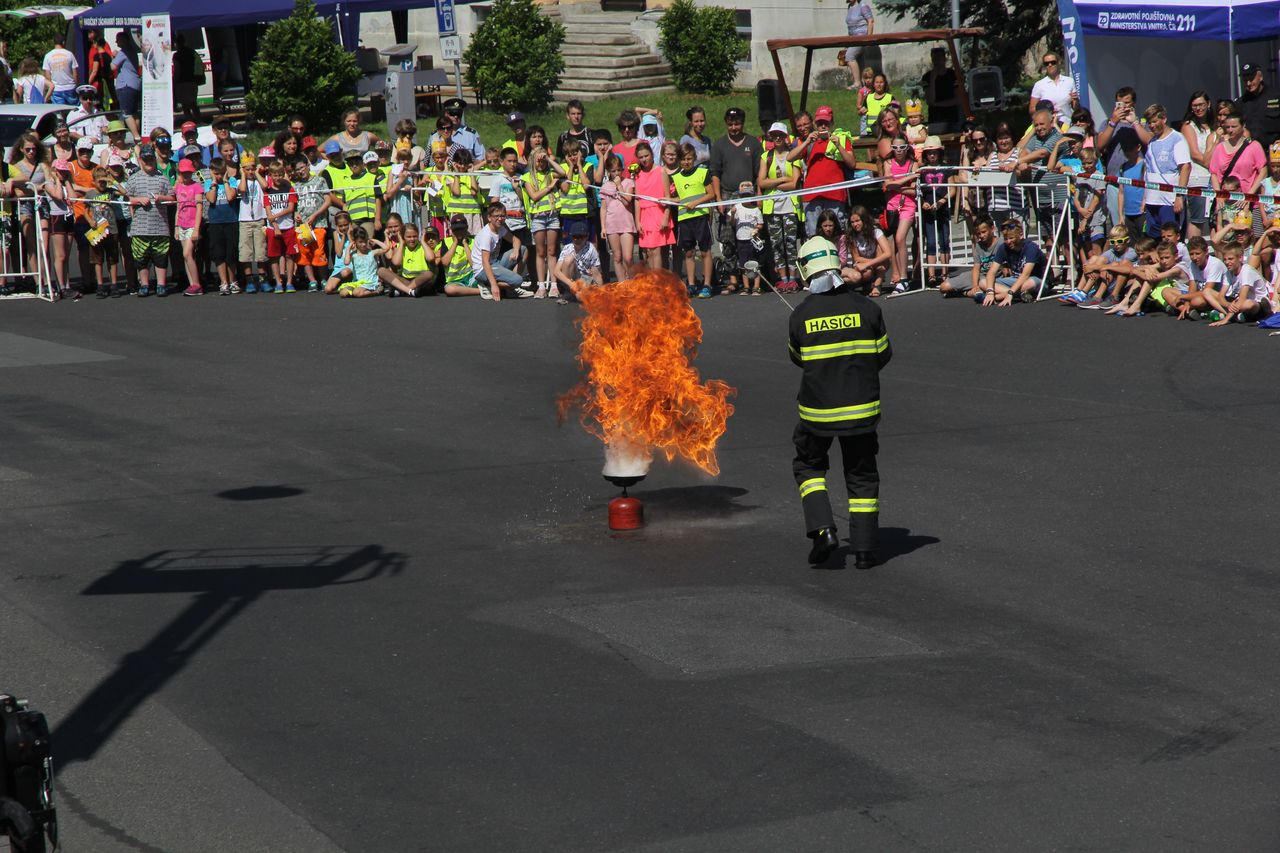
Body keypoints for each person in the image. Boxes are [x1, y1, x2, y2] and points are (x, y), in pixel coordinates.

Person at [788, 233, 891, 569]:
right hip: (862, 412)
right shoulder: (869, 308)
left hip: (817, 413)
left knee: (809, 466)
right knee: (861, 474)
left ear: (806, 271)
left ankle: (823, 531)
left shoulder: (800, 316)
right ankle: (864, 550)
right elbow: (882, 355)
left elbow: (798, 358)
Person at [788, 105, 857, 235]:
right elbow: (789, 157)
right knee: (814, 234)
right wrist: (807, 142)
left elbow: (852, 163)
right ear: (815, 124)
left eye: (826, 123)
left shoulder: (841, 138)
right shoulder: (811, 141)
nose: (823, 126)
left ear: (832, 122)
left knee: (837, 234)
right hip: (812, 195)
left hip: (835, 194)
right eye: (820, 123)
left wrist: (838, 145)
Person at [125, 143, 175, 297]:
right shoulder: (133, 178)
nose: (148, 162)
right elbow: (127, 199)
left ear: (155, 159)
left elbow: (173, 199)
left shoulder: (163, 178)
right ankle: (144, 284)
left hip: (160, 227)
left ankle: (161, 284)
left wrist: (162, 198)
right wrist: (138, 199)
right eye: (145, 159)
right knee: (141, 258)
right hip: (140, 227)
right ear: (140, 160)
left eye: (151, 159)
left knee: (161, 257)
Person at [758, 121, 803, 293]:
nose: (777, 138)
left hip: (790, 206)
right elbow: (761, 181)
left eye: (780, 135)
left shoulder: (794, 155)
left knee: (790, 243)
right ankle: (782, 278)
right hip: (773, 207)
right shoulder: (766, 156)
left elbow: (794, 184)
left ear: (785, 137)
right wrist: (781, 180)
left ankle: (793, 278)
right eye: (774, 135)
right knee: (777, 244)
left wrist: (776, 184)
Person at [1135, 103, 1190, 236]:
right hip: (1151, 199)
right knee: (1153, 240)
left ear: (1164, 119)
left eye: (1154, 121)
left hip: (1169, 200)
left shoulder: (1177, 139)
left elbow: (1185, 167)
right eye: (1149, 123)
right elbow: (1147, 170)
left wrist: (1179, 196)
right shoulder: (1152, 140)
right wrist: (1144, 198)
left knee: (1170, 240)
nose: (1152, 125)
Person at [1209, 111, 1266, 235]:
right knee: (1225, 238)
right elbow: (1214, 173)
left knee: (1255, 236)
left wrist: (1250, 194)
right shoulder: (1220, 147)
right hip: (1226, 202)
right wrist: (1219, 195)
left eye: (1234, 126)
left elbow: (1263, 171)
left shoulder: (1254, 146)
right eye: (1227, 127)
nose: (1230, 130)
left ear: (1242, 126)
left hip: (1249, 201)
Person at [672, 142, 714, 296]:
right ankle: (691, 284)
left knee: (705, 251)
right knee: (689, 253)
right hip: (684, 219)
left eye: (689, 159)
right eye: (683, 159)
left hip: (700, 217)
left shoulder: (702, 173)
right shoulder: (676, 177)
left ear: (694, 158)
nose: (686, 162)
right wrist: (670, 199)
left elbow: (711, 194)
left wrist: (696, 203)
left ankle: (707, 284)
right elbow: (681, 198)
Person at [472, 202, 536, 300]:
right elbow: (485, 262)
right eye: (496, 216)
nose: (500, 219)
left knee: (523, 249)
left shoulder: (500, 229)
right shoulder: (486, 235)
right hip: (482, 269)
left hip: (495, 263)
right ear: (489, 218)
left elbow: (516, 240)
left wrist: (516, 251)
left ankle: (511, 288)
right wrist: (494, 285)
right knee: (518, 281)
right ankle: (489, 285)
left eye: (502, 216)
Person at [978, 217, 1047, 306]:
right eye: (1006, 238)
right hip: (1016, 280)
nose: (1008, 241)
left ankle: (1004, 295)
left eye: (1011, 238)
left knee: (1030, 283)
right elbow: (991, 272)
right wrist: (990, 291)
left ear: (1021, 235)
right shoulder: (1003, 247)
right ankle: (1019, 294)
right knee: (983, 282)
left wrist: (1010, 293)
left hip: (1038, 280)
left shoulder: (1031, 247)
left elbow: (1025, 275)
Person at [1205, 241, 1273, 325]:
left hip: (1257, 303)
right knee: (1207, 291)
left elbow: (1242, 299)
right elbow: (1221, 297)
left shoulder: (1246, 271)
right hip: (1238, 301)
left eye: (1230, 259)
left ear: (1240, 258)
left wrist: (1225, 320)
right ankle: (1234, 315)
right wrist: (1228, 305)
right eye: (1225, 259)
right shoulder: (1228, 272)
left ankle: (1228, 316)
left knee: (1248, 304)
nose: (1227, 262)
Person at [881, 135, 917, 293]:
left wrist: (896, 186)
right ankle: (899, 276)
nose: (899, 151)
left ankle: (904, 277)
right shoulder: (888, 162)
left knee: (901, 237)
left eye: (902, 148)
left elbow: (915, 190)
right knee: (895, 241)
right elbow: (887, 184)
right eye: (895, 148)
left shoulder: (913, 164)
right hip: (892, 205)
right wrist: (907, 179)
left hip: (908, 204)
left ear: (907, 147)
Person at [633, 141, 674, 271]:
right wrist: (637, 221)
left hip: (658, 213)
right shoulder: (637, 174)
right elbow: (637, 200)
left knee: (656, 251)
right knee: (648, 252)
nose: (644, 159)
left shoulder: (661, 172)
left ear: (652, 154)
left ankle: (658, 280)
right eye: (641, 157)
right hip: (644, 216)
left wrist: (666, 217)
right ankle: (652, 280)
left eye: (646, 156)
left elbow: (668, 198)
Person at [1181, 91, 1217, 238]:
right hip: (1198, 179)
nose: (1198, 108)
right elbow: (1194, 154)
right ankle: (1194, 252)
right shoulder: (1188, 126)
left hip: (1215, 179)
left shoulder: (1215, 125)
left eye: (1201, 104)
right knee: (1198, 219)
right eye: (1195, 105)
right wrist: (1211, 163)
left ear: (1208, 104)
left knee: (1215, 220)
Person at [917, 136, 951, 287]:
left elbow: (953, 189)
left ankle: (945, 272)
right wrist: (923, 202)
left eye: (934, 152)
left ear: (939, 153)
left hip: (943, 209)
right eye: (929, 153)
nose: (932, 155)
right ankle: (931, 274)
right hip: (928, 211)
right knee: (931, 241)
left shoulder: (946, 168)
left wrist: (942, 201)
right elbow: (919, 191)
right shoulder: (922, 171)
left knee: (944, 240)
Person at [204, 156, 240, 294]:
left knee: (231, 253)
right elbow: (211, 199)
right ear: (212, 172)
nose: (219, 176)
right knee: (219, 254)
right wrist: (213, 183)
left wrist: (225, 181)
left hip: (230, 221)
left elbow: (231, 197)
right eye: (216, 173)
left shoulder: (231, 181)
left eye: (221, 172)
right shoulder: (208, 183)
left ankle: (232, 281)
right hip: (215, 222)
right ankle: (223, 282)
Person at [598, 154, 636, 281]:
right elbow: (603, 208)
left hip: (626, 223)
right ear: (608, 172)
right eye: (613, 171)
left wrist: (619, 186)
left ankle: (631, 282)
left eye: (619, 170)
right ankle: (622, 284)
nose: (617, 173)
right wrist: (603, 227)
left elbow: (628, 201)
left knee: (628, 257)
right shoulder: (605, 186)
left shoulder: (628, 182)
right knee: (617, 257)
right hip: (611, 224)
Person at [84, 166, 120, 298]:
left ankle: (114, 285)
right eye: (100, 181)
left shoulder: (110, 191)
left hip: (111, 229)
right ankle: (100, 285)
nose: (102, 184)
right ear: (94, 181)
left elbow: (124, 192)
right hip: (97, 231)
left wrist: (111, 180)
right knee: (98, 260)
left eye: (104, 182)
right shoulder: (90, 194)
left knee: (112, 259)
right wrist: (89, 221)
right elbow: (85, 210)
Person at [172, 158, 205, 295]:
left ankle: (197, 284)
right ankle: (192, 284)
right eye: (183, 173)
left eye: (188, 173)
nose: (185, 175)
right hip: (182, 223)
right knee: (186, 256)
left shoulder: (196, 186)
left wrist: (196, 228)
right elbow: (178, 207)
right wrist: (176, 226)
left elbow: (199, 208)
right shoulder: (178, 187)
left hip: (192, 224)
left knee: (187, 253)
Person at [378, 221, 434, 297]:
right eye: (408, 237)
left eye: (415, 236)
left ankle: (404, 291)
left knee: (429, 274)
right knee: (381, 271)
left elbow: (431, 258)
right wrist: (401, 243)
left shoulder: (423, 246)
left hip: (420, 281)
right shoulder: (400, 247)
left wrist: (423, 241)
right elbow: (396, 263)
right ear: (403, 237)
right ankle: (409, 291)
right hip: (405, 280)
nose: (412, 239)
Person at [950, 213, 997, 299]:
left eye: (984, 232)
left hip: (993, 277)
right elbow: (976, 267)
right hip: (980, 275)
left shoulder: (1000, 244)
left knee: (984, 284)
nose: (981, 236)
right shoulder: (978, 245)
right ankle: (972, 291)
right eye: (978, 233)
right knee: (944, 287)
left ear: (992, 229)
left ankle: (966, 293)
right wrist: (975, 286)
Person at [554, 221, 603, 299]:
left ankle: (578, 293)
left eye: (581, 237)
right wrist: (571, 284)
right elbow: (556, 271)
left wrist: (601, 292)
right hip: (571, 280)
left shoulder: (591, 249)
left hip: (585, 279)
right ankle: (568, 292)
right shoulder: (567, 248)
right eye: (575, 237)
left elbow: (596, 273)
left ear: (587, 237)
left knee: (581, 297)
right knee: (568, 259)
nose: (577, 239)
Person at [1236, 63, 1280, 148]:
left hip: (1274, 152)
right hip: (1250, 152)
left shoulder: (1276, 96)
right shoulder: (1241, 103)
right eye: (1245, 80)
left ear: (1260, 77)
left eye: (1251, 79)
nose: (1248, 83)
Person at [1029, 51, 1077, 127]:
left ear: (1059, 63)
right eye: (1046, 63)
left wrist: (1076, 100)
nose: (1050, 65)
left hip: (1067, 123)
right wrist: (1046, 109)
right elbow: (1032, 109)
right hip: (1048, 125)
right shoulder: (1039, 85)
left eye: (1053, 62)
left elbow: (1075, 107)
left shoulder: (1070, 81)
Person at [920, 47, 961, 132]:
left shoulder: (953, 75)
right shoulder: (927, 77)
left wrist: (937, 104)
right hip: (935, 117)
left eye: (939, 58)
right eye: (935, 59)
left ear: (944, 59)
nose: (937, 61)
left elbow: (957, 99)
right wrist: (933, 79)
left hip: (952, 116)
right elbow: (930, 101)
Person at [112, 32, 143, 139]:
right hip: (136, 84)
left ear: (123, 40)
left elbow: (113, 67)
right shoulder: (133, 51)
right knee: (134, 113)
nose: (116, 42)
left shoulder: (123, 52)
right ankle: (137, 133)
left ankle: (136, 136)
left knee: (126, 113)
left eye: (118, 39)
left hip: (126, 85)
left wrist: (113, 57)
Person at [843, 0, 873, 89]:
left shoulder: (863, 5)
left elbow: (870, 21)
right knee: (860, 61)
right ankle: (864, 86)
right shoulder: (850, 7)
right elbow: (850, 26)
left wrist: (868, 38)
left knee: (849, 56)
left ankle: (857, 83)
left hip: (861, 37)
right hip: (853, 38)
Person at [42, 34, 78, 105]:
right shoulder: (69, 54)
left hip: (56, 89)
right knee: (73, 110)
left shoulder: (48, 56)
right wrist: (76, 85)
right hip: (70, 87)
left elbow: (47, 75)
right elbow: (75, 74)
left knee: (58, 113)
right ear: (63, 42)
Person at [173, 34, 202, 119]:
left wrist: (175, 81)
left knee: (185, 105)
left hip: (182, 82)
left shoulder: (177, 55)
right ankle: (199, 120)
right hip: (192, 81)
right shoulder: (192, 52)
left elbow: (177, 70)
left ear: (176, 43)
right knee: (193, 103)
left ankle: (190, 121)